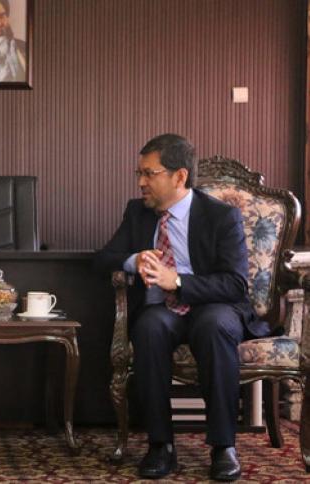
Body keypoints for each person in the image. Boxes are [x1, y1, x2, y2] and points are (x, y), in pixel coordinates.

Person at [94, 134, 269, 481]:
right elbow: (102, 259)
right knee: (149, 326)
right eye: (139, 173)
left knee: (214, 324)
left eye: (150, 173)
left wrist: (177, 281)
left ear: (179, 176)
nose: (141, 182)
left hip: (213, 306)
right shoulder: (137, 213)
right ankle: (160, 445)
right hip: (163, 312)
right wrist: (133, 260)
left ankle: (223, 446)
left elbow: (235, 284)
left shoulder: (221, 216)